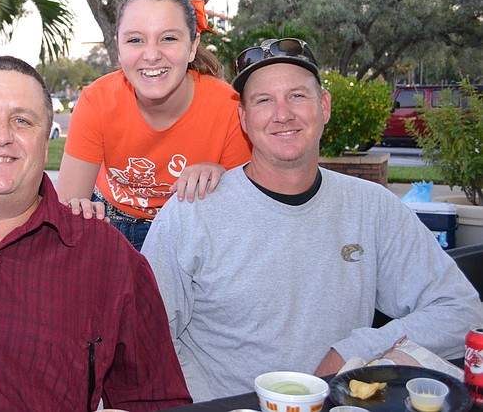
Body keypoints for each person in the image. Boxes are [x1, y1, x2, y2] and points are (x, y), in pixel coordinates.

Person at [141, 38, 483, 402]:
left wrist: (358, 348)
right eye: (263, 100)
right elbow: (143, 338)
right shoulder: (193, 211)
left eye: (298, 96)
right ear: (243, 118)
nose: (282, 114)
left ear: (324, 106)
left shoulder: (373, 208)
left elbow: (460, 309)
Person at [0, 56, 191, 411]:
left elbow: (155, 398)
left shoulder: (107, 258)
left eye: (22, 121)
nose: (1, 136)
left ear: (47, 140)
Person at [56, 0, 251, 250]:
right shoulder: (97, 100)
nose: (151, 55)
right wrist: (77, 211)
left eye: (168, 38)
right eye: (135, 40)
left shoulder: (228, 106)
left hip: (189, 231)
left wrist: (223, 179)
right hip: (111, 222)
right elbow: (65, 209)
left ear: (193, 45)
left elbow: (242, 217)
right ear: (119, 47)